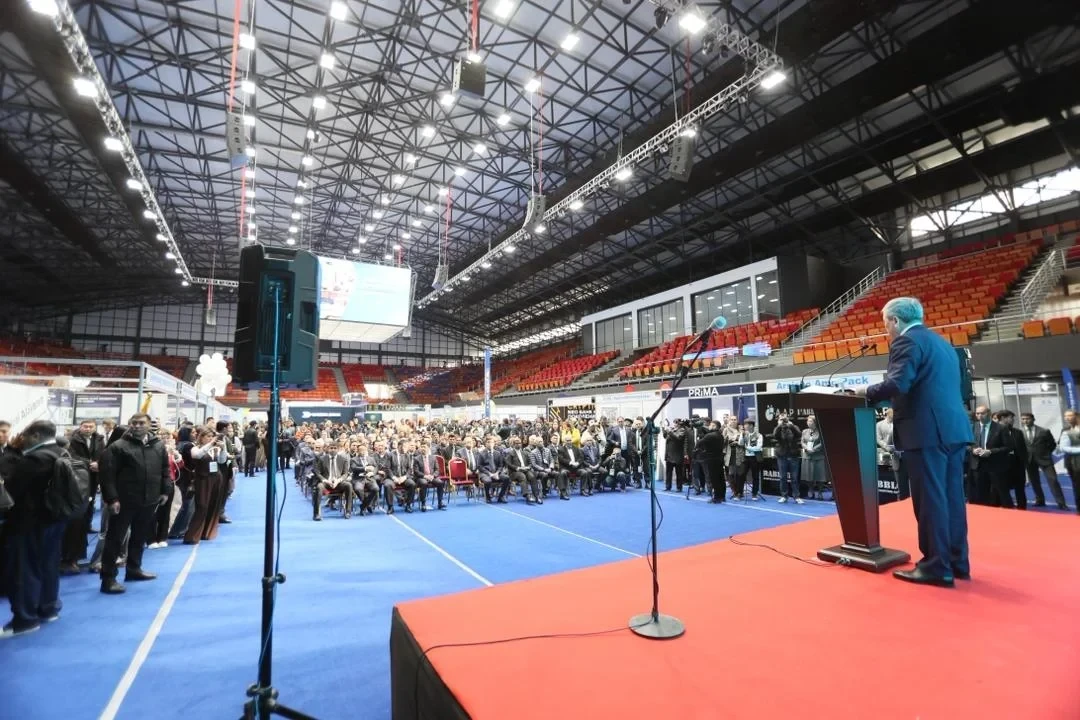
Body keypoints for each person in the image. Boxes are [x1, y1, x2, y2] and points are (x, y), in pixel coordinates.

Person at [860, 297, 972, 588]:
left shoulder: (906, 342)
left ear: (895, 321)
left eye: (886, 323)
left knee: (930, 500)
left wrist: (863, 392)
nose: (886, 330)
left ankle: (936, 567)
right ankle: (956, 562)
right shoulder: (943, 344)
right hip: (953, 430)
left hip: (926, 432)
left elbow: (898, 383)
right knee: (952, 499)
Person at [0, 421, 67, 637]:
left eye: (25, 435)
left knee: (24, 570)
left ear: (36, 435)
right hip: (54, 519)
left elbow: (11, 491)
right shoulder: (61, 452)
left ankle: (25, 619)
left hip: (28, 522)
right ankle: (48, 608)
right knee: (48, 565)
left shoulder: (34, 459)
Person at [98, 414, 172, 594]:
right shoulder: (118, 447)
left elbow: (165, 469)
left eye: (141, 423)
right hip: (124, 501)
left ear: (149, 425)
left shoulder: (158, 445)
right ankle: (108, 579)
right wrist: (112, 498)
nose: (137, 426)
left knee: (139, 537)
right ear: (129, 425)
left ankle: (134, 569)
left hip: (149, 500)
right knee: (115, 540)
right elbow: (107, 475)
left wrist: (165, 491)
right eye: (134, 423)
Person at [1019, 412, 1066, 509]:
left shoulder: (1044, 431)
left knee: (1053, 480)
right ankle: (1040, 500)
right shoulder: (1020, 432)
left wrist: (1046, 453)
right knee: (1034, 481)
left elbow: (1052, 444)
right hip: (1029, 460)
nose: (1025, 421)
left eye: (1027, 419)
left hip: (1045, 459)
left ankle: (1061, 503)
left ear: (1033, 419)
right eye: (1023, 419)